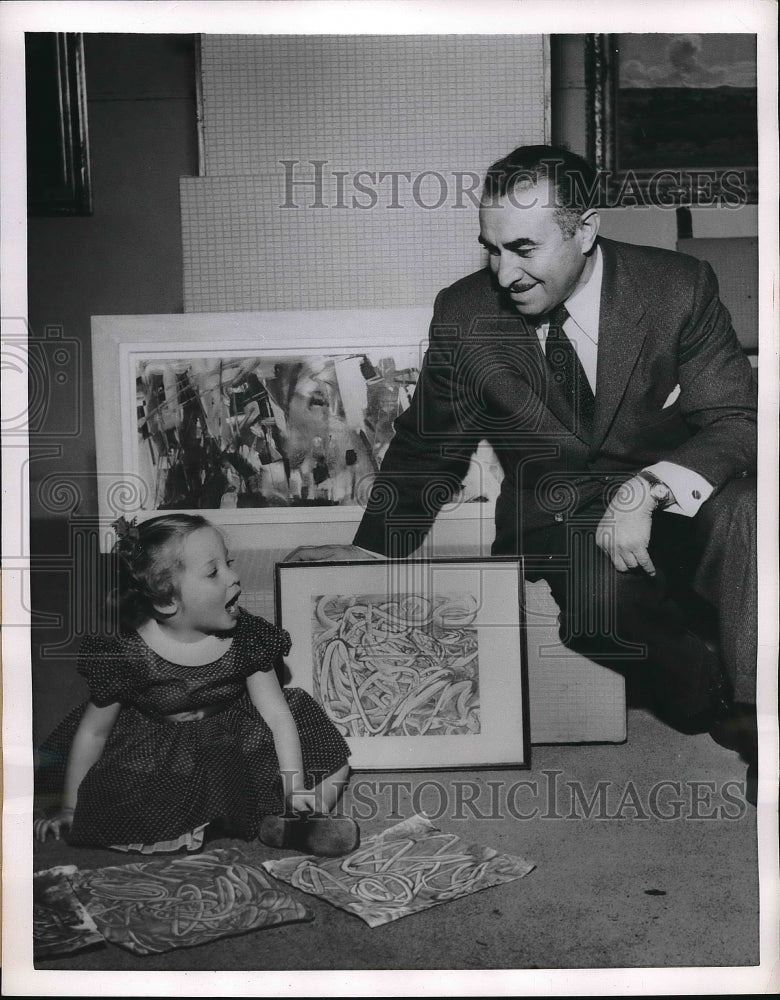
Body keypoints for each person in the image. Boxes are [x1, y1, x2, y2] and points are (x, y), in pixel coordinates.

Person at [294, 145, 759, 799]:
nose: (503, 271)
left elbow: (737, 420)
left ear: (585, 229)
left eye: (522, 248)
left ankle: (760, 719)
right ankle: (709, 696)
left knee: (754, 512)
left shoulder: (679, 287)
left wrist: (648, 488)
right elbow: (431, 448)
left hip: (670, 492)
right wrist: (370, 555)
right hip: (562, 514)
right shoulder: (466, 313)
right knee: (603, 604)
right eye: (490, 248)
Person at [34, 513, 359, 856]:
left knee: (330, 754)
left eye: (229, 564)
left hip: (232, 738)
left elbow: (277, 716)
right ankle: (215, 819)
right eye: (213, 571)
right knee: (127, 801)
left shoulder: (246, 635)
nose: (234, 577)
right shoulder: (126, 651)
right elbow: (93, 733)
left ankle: (302, 817)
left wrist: (295, 789)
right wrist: (71, 807)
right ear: (165, 600)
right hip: (161, 750)